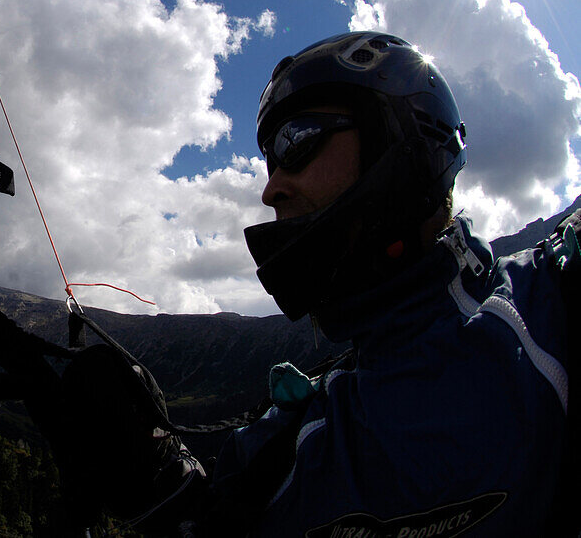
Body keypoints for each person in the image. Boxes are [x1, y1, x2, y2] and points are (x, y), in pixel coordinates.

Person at [62, 32, 573, 536]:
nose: (270, 188)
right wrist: (152, 472)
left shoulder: (548, 307)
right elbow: (207, 517)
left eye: (297, 141)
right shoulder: (293, 441)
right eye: (270, 161)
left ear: (401, 138)